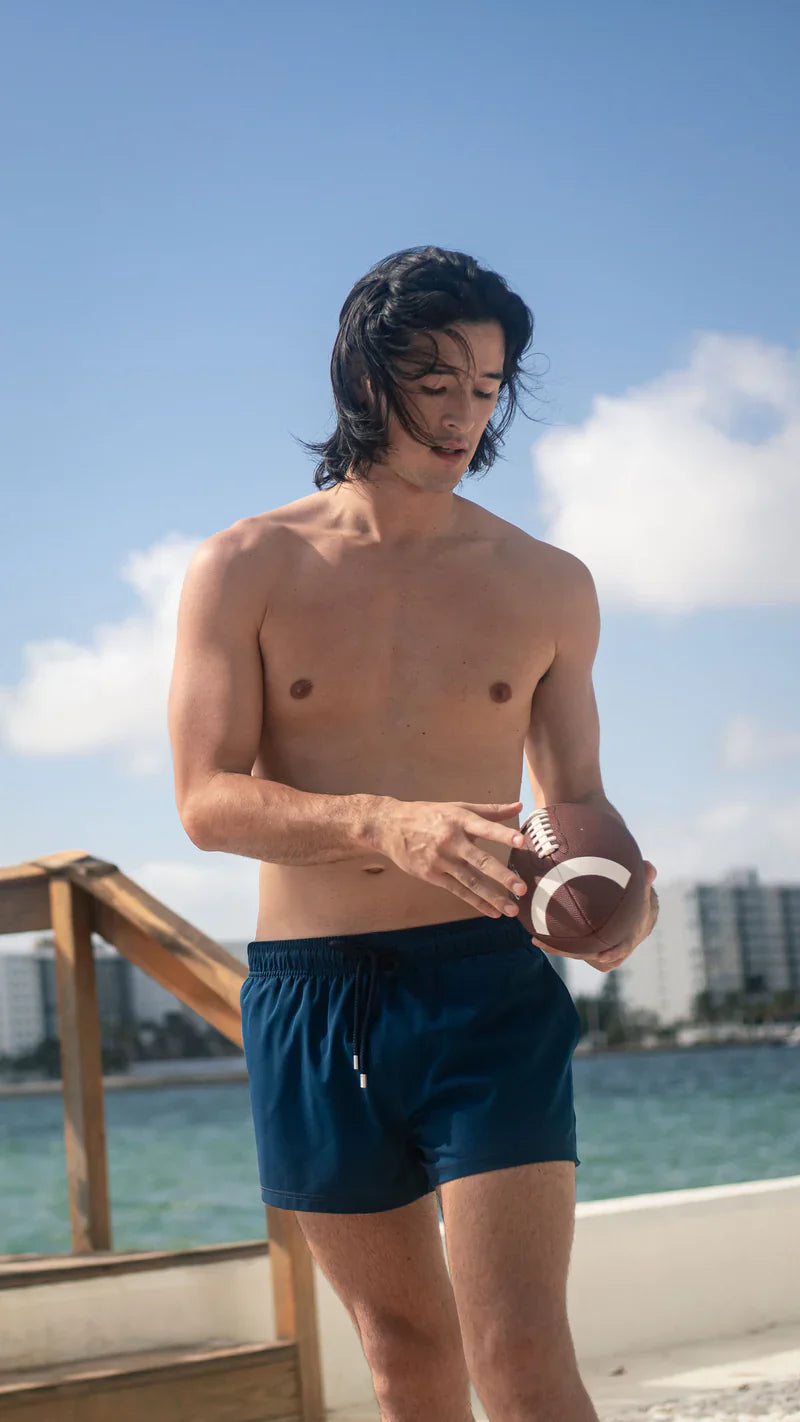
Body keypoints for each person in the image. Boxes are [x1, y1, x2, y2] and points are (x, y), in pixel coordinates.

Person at [168, 245, 658, 1422]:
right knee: (403, 1355)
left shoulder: (544, 582)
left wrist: (625, 899)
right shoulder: (247, 565)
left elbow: (577, 794)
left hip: (486, 987)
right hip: (310, 994)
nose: (461, 413)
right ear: (362, 372)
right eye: (434, 380)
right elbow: (203, 801)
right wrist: (384, 822)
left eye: (486, 387)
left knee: (519, 1346)